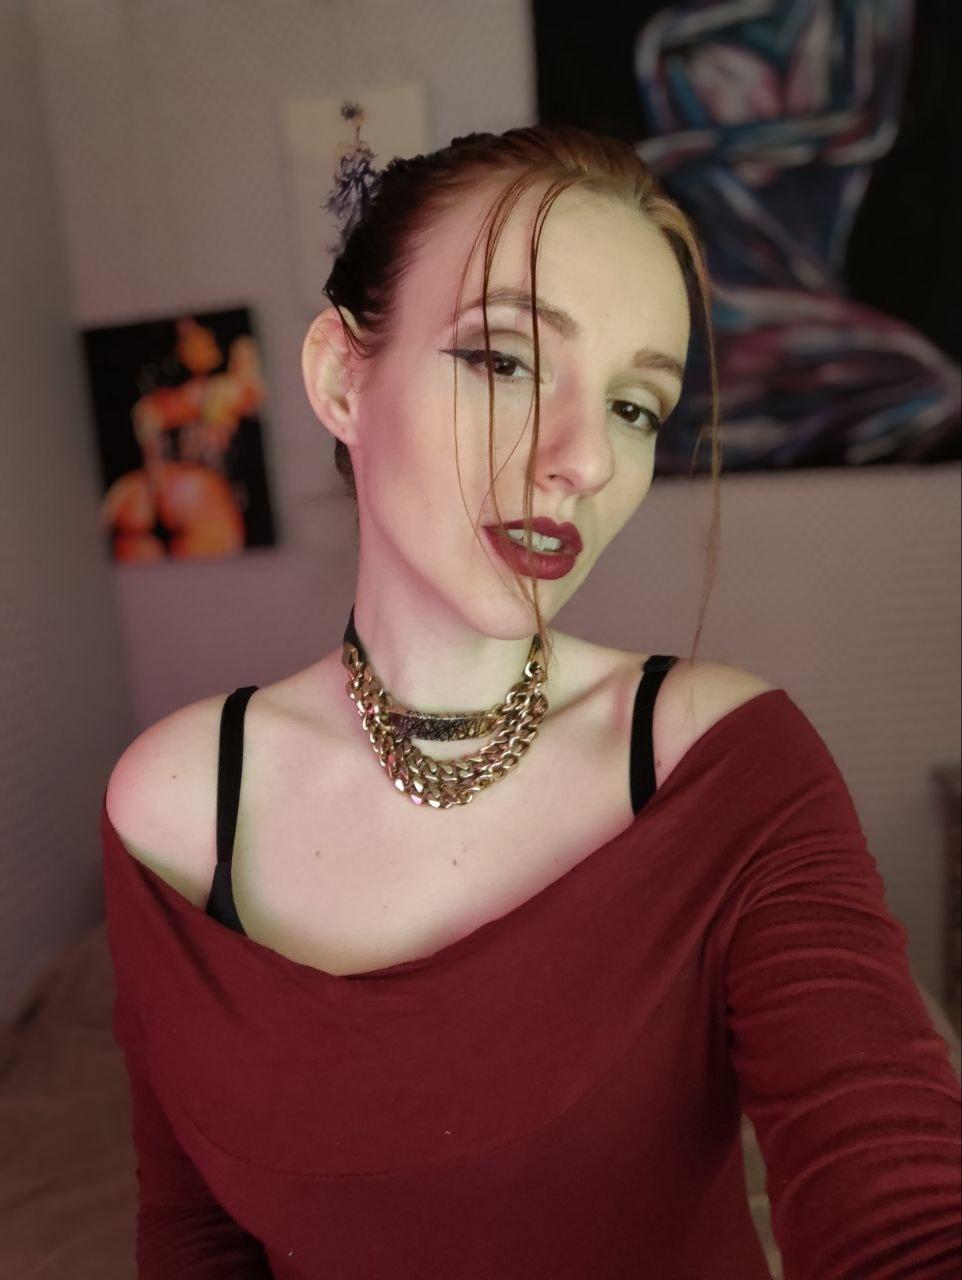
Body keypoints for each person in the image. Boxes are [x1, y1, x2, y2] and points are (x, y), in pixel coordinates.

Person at [101, 123, 961, 1277]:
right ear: (340, 376)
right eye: (504, 360)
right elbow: (194, 1229)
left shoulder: (719, 760)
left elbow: (897, 1198)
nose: (585, 460)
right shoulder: (175, 803)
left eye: (634, 406)